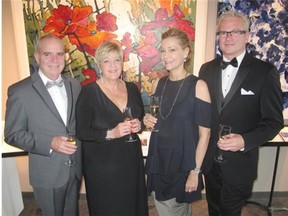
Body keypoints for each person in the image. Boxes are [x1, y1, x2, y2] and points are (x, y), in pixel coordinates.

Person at [198, 10, 283, 216]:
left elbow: (273, 122)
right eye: (223, 32)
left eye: (235, 32)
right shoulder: (206, 70)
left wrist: (244, 140)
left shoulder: (265, 72)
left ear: (247, 36)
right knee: (213, 211)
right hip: (210, 163)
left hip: (239, 165)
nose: (228, 37)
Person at [4, 35, 82, 216]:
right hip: (47, 172)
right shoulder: (19, 91)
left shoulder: (75, 85)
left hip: (75, 169)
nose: (55, 60)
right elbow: (12, 134)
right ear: (37, 57)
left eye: (59, 54)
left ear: (65, 57)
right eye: (48, 54)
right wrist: (49, 142)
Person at [143, 28, 212, 216]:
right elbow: (157, 120)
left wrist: (195, 172)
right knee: (171, 208)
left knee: (174, 210)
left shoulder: (198, 86)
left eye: (172, 50)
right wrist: (147, 120)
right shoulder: (158, 83)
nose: (165, 56)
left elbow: (205, 135)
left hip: (182, 163)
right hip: (159, 158)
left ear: (186, 53)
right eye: (163, 50)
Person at [76, 40, 148, 215]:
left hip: (131, 161)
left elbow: (140, 118)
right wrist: (111, 133)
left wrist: (140, 124)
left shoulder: (132, 88)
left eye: (116, 60)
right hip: (103, 166)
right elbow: (82, 131)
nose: (113, 65)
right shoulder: (89, 92)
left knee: (132, 205)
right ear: (99, 64)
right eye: (106, 60)